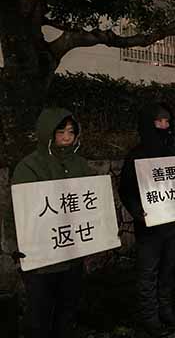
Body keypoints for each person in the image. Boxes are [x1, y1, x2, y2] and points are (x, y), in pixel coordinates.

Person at [12, 108, 92, 338]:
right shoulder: (29, 166)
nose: (67, 137)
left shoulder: (80, 164)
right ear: (47, 132)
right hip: (41, 260)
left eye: (71, 131)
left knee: (67, 311)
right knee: (39, 315)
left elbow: (90, 204)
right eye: (60, 131)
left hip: (73, 254)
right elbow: (24, 211)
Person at [119, 103, 175, 337]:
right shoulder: (136, 155)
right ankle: (150, 318)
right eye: (158, 121)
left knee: (168, 270)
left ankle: (166, 312)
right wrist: (138, 212)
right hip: (148, 228)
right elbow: (125, 190)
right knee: (148, 274)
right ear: (148, 123)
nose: (164, 126)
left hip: (171, 225)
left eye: (167, 121)